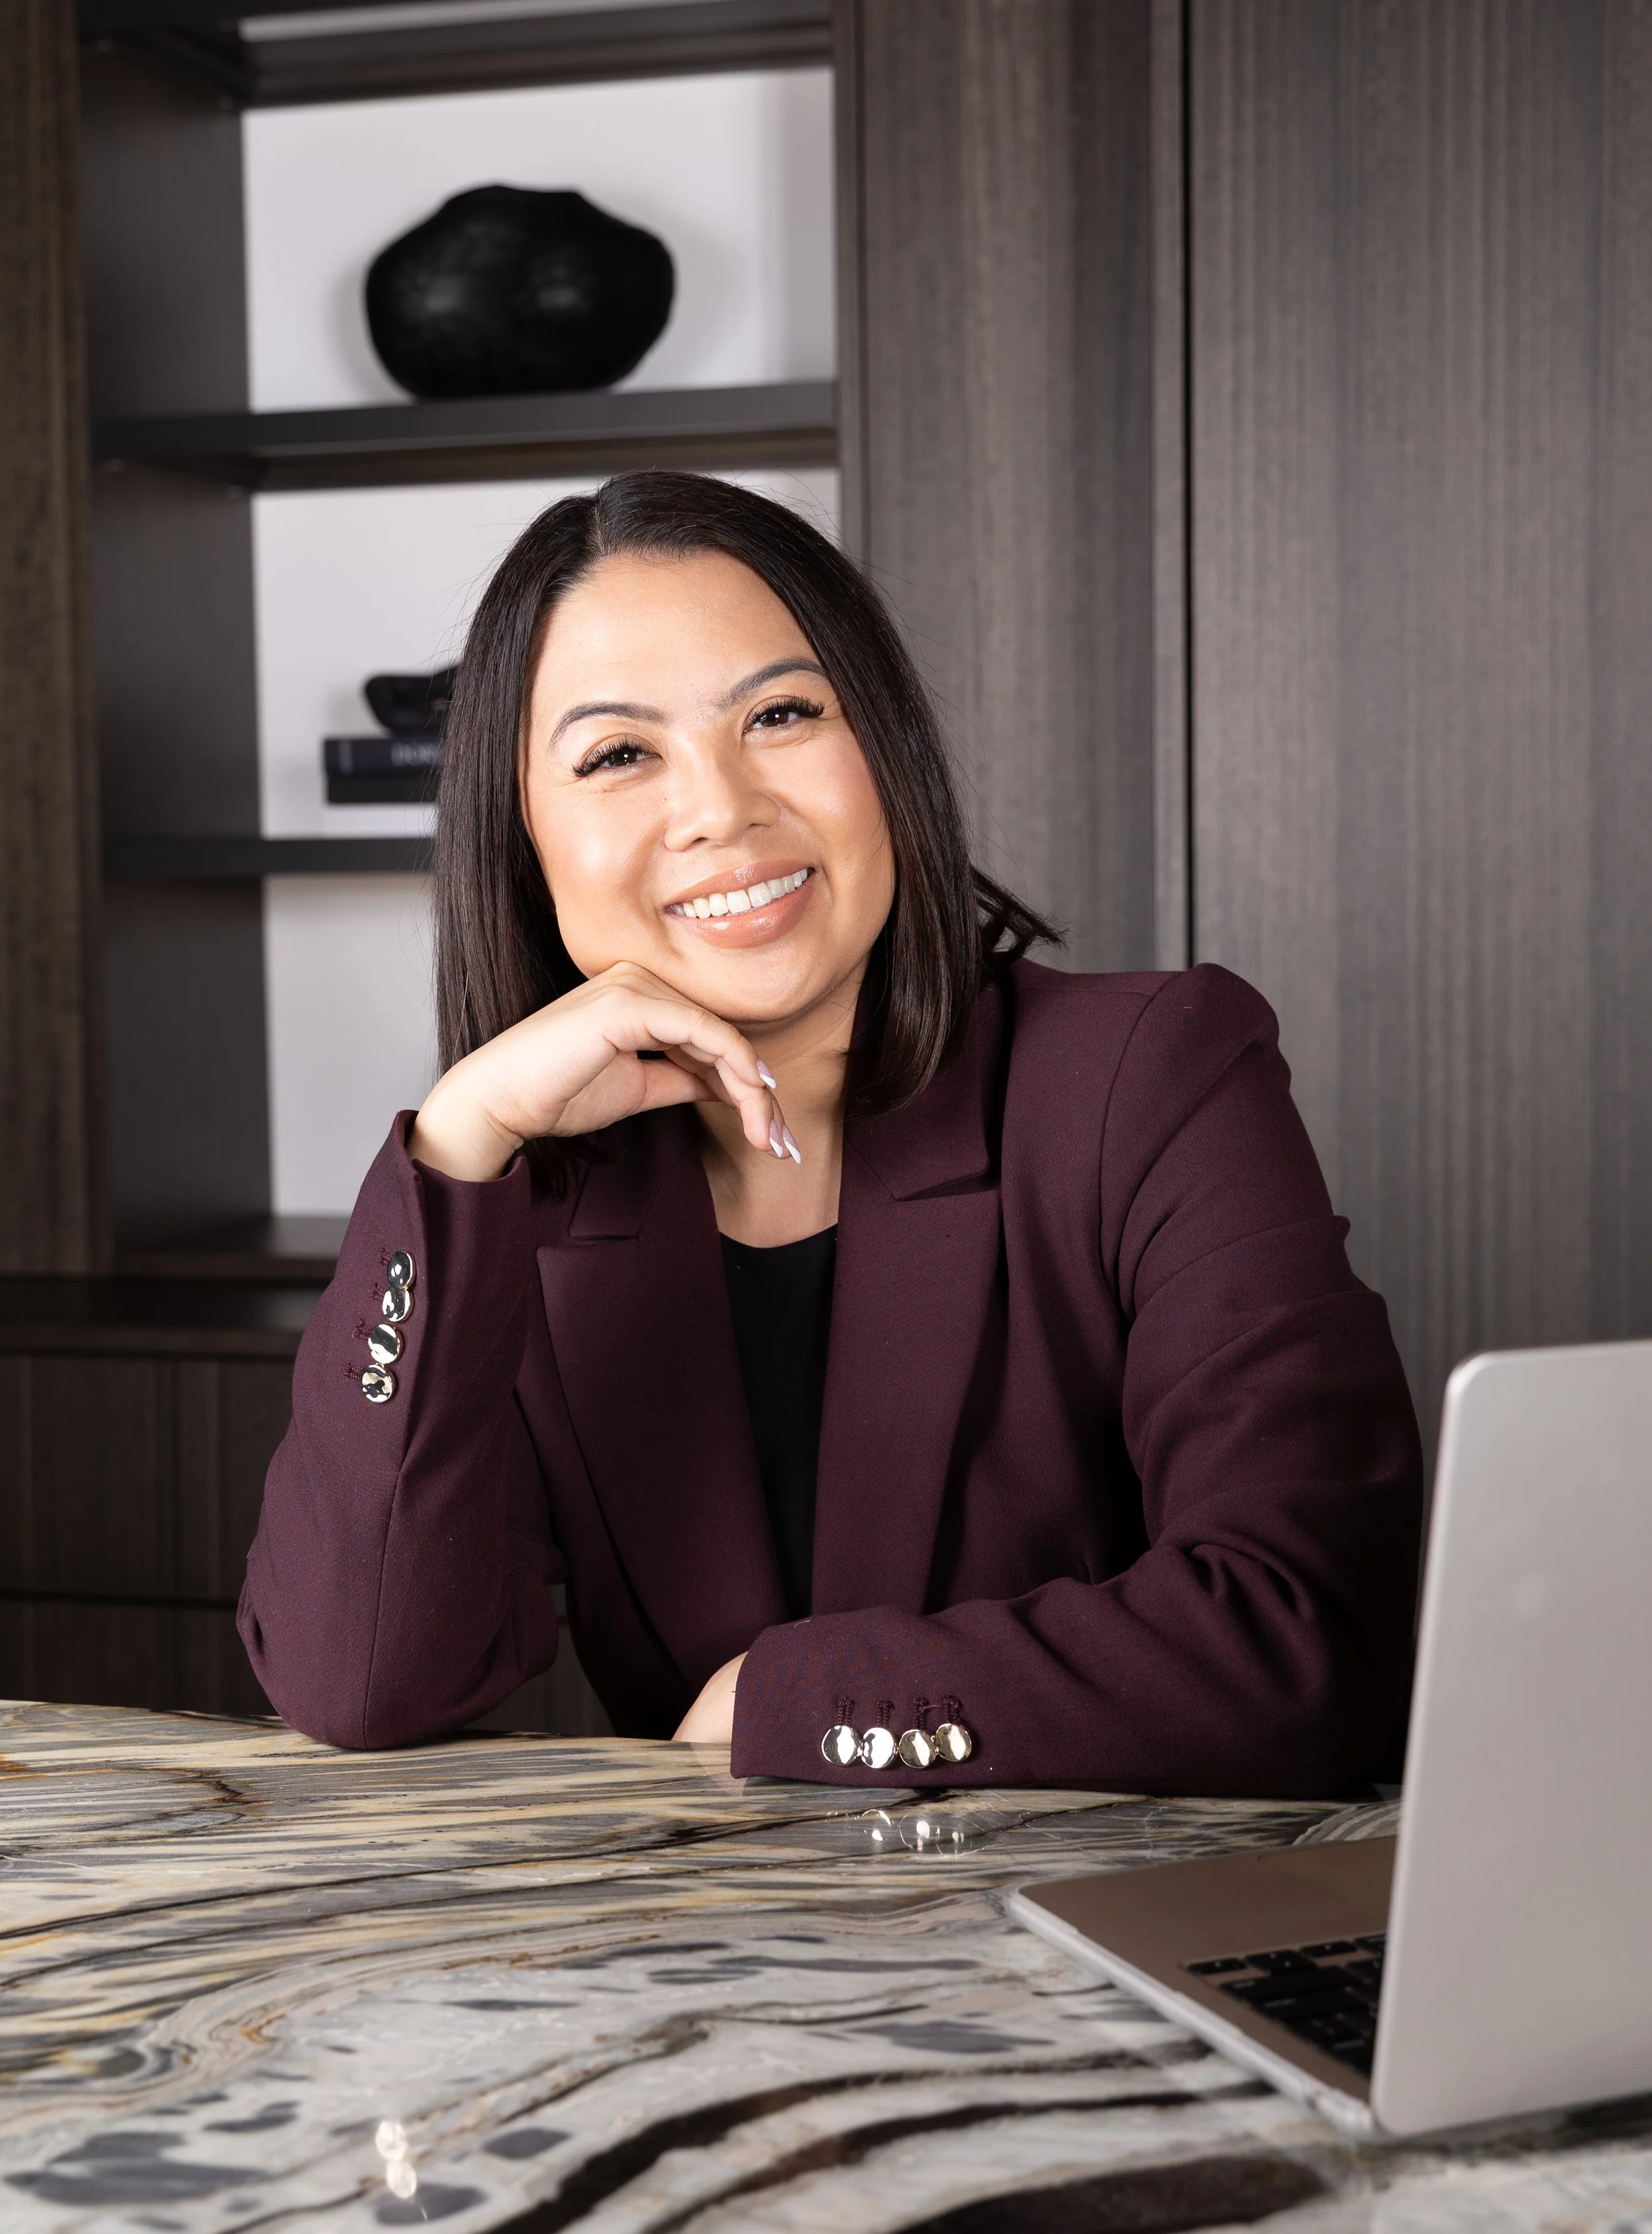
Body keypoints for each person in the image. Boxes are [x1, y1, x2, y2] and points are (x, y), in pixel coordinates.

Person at [239, 471, 1422, 1791]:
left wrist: (785, 1702)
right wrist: (457, 1150)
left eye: (781, 714)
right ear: (520, 841)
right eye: (619, 755)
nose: (720, 809)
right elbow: (360, 1683)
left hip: (1120, 1943)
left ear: (887, 754)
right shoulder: (531, 1195)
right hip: (720, 1967)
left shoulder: (1147, 1077)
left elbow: (1308, 1639)